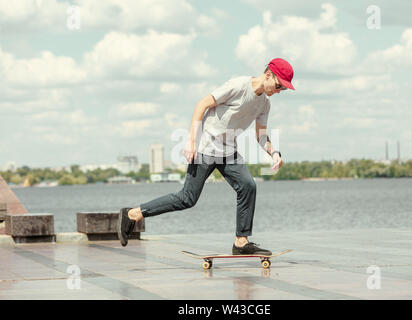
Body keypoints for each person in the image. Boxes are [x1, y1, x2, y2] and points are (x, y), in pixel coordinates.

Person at [118, 58, 295, 255]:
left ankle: (241, 242)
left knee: (248, 186)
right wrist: (191, 140)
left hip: (229, 152)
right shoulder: (238, 86)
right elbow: (202, 104)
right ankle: (133, 214)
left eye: (283, 90)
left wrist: (275, 152)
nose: (279, 91)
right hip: (205, 148)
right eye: (279, 86)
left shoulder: (264, 104)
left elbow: (261, 135)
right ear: (268, 74)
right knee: (187, 198)